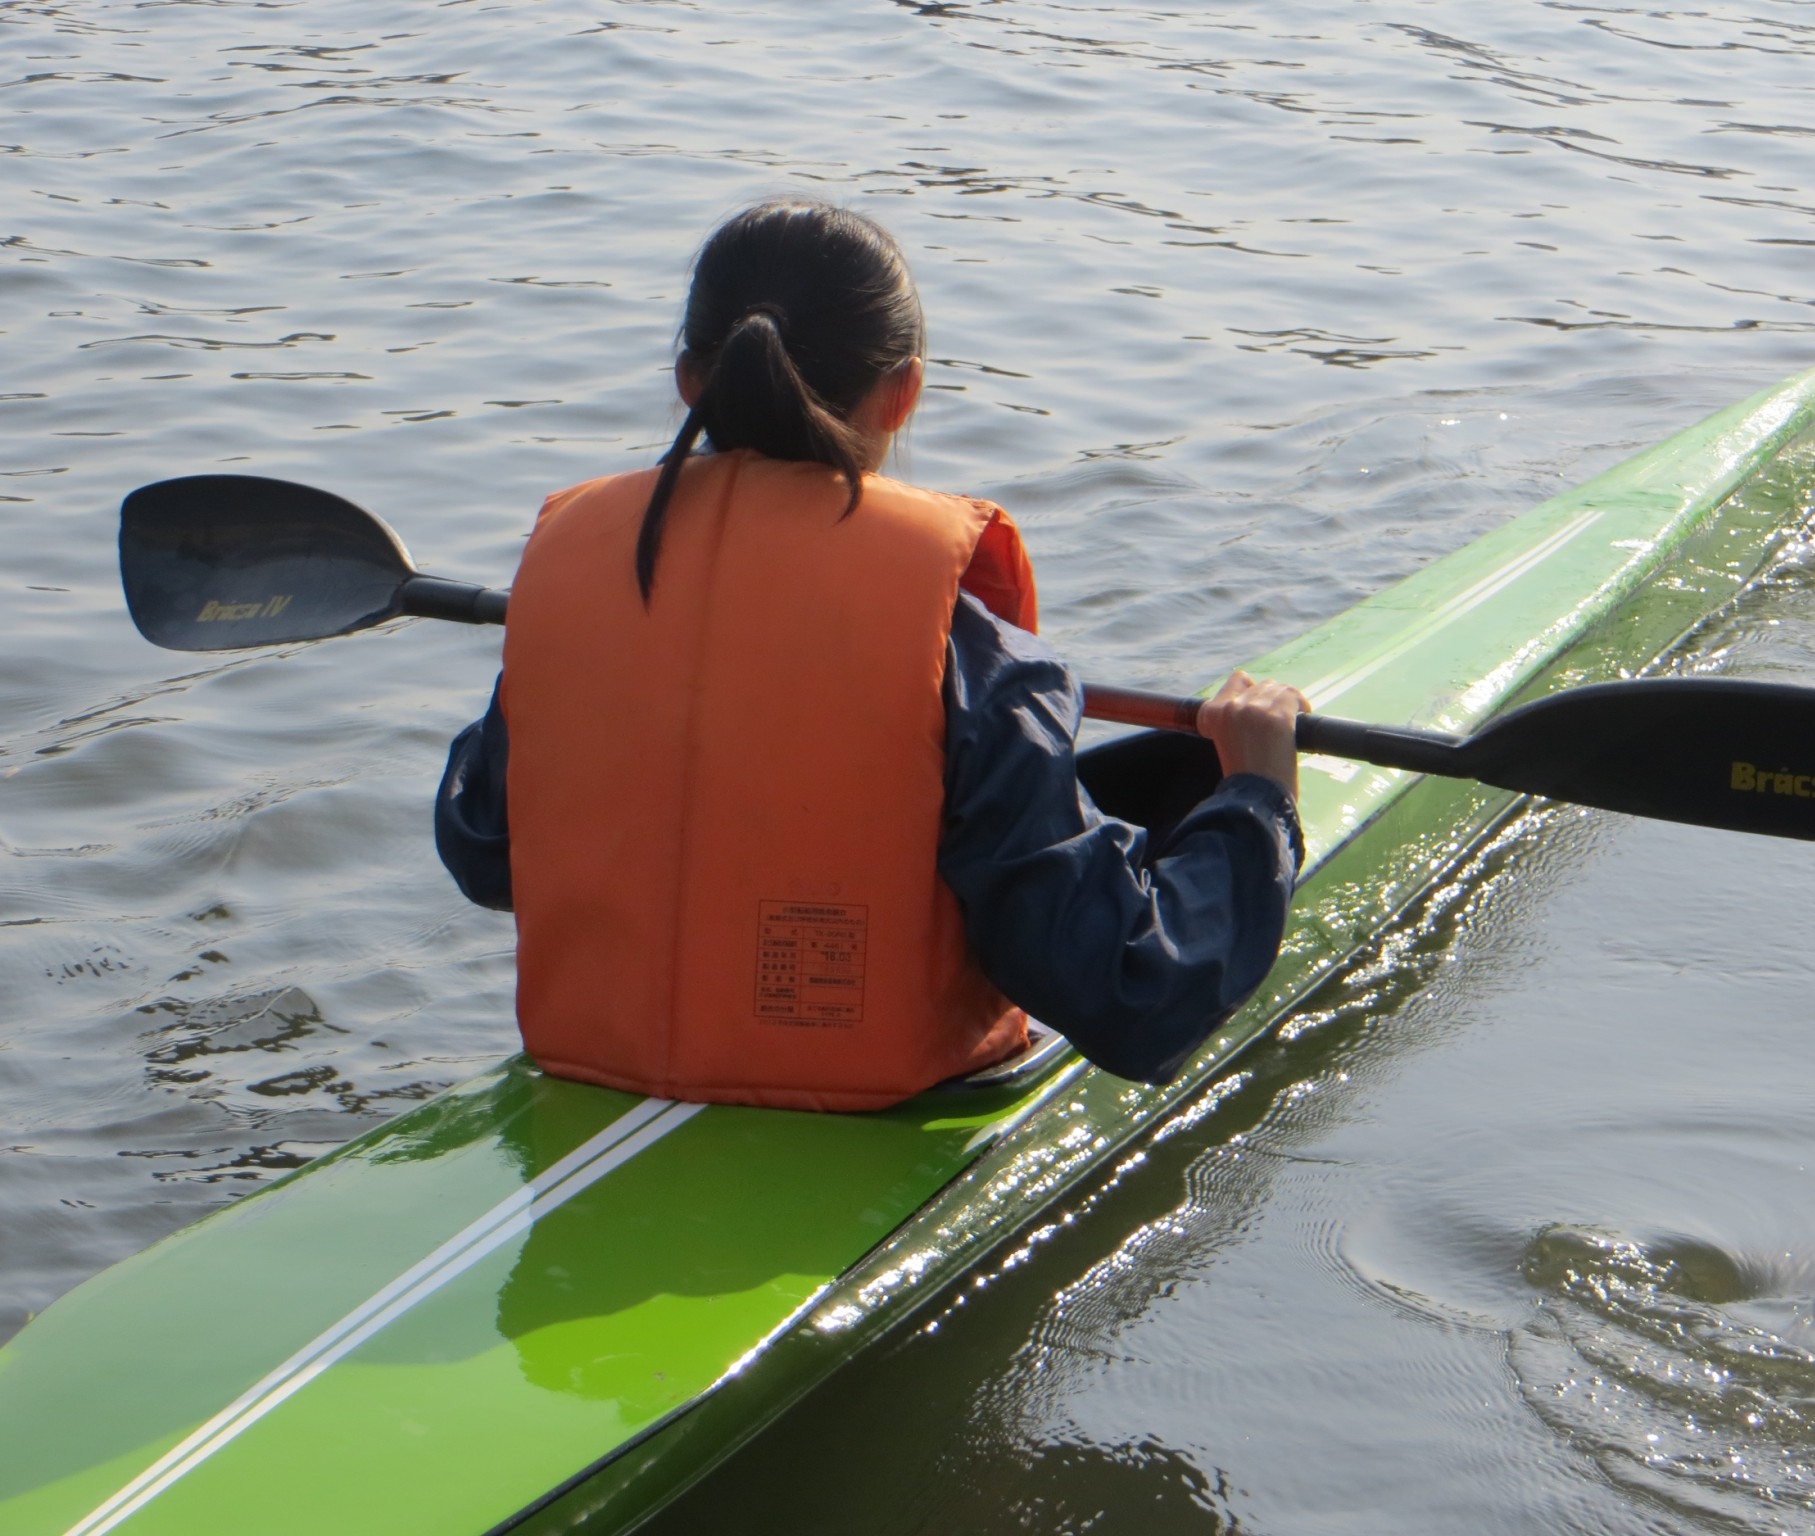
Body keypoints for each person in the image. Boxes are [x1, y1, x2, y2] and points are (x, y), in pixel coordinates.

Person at [436, 198, 1309, 1113]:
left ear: (691, 380)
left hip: (591, 1061)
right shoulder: (974, 656)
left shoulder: (573, 582)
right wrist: (1257, 802)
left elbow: (483, 850)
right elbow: (1136, 995)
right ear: (905, 391)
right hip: (878, 1099)